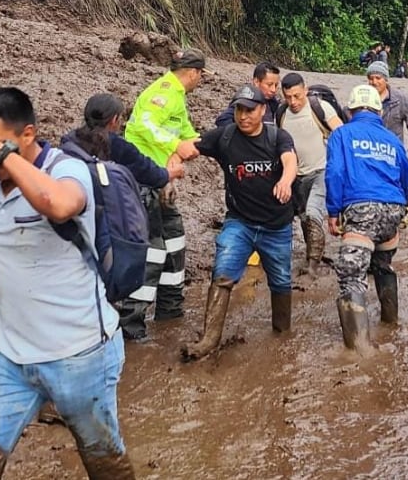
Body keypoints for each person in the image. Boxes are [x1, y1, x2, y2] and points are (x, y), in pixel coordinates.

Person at [0, 88, 135, 478]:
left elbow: (58, 204)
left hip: (79, 354)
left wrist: (3, 156)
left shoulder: (66, 171)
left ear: (28, 135)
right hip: (9, 355)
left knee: (103, 461)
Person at [177, 84, 298, 360]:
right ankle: (208, 340)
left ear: (262, 110)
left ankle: (282, 335)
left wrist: (285, 180)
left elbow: (290, 161)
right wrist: (169, 171)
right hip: (239, 222)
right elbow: (189, 148)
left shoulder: (277, 136)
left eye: (249, 110)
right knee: (222, 274)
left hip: (276, 225)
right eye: (238, 110)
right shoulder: (225, 137)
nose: (243, 116)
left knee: (280, 281)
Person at [120, 48, 207, 341]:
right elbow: (143, 123)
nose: (200, 81)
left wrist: (199, 144)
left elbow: (187, 134)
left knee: (175, 242)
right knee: (152, 251)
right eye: (201, 76)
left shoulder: (178, 98)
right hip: (143, 182)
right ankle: (131, 325)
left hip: (164, 183)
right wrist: (174, 145)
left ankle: (170, 312)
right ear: (194, 73)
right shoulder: (163, 91)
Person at [325, 84, 408, 350]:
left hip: (361, 209)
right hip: (392, 211)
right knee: (383, 265)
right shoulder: (391, 139)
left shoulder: (341, 134)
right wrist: (400, 200)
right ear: (379, 111)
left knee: (351, 274)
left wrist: (333, 211)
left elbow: (334, 173)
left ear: (350, 110)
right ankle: (391, 324)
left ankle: (360, 352)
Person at [276, 73, 343, 276]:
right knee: (305, 217)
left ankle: (312, 266)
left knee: (313, 212)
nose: (293, 102)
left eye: (297, 96)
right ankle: (312, 252)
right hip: (297, 176)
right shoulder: (281, 113)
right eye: (288, 97)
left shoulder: (320, 107)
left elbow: (342, 134)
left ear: (305, 90)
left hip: (322, 170)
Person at [215, 61, 281, 127]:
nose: (273, 90)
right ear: (256, 82)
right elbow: (222, 120)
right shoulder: (245, 100)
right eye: (269, 85)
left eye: (276, 85)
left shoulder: (273, 103)